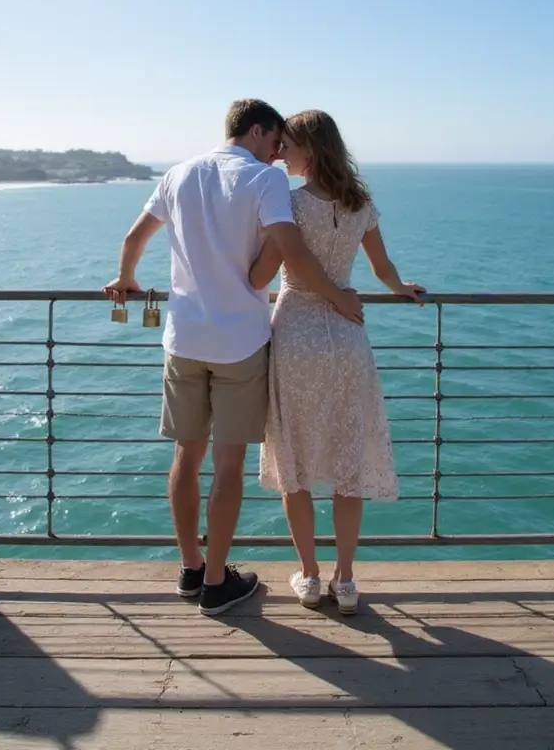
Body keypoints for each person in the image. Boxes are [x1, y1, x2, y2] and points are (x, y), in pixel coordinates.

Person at [103, 99, 364, 617]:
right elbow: (288, 249)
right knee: (228, 465)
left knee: (186, 456)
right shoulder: (263, 181)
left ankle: (190, 568)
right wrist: (337, 296)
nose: (277, 153)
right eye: (275, 141)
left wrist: (127, 278)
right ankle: (218, 583)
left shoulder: (178, 173)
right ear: (258, 130)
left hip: (183, 338)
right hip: (240, 343)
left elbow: (134, 237)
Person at [250, 110, 425, 615]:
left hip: (297, 334)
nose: (279, 153)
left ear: (309, 149)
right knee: (348, 464)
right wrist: (400, 288)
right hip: (348, 336)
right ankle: (345, 581)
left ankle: (307, 576)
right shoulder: (360, 202)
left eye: (287, 145)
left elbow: (265, 269)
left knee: (295, 466)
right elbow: (382, 266)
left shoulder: (288, 201)